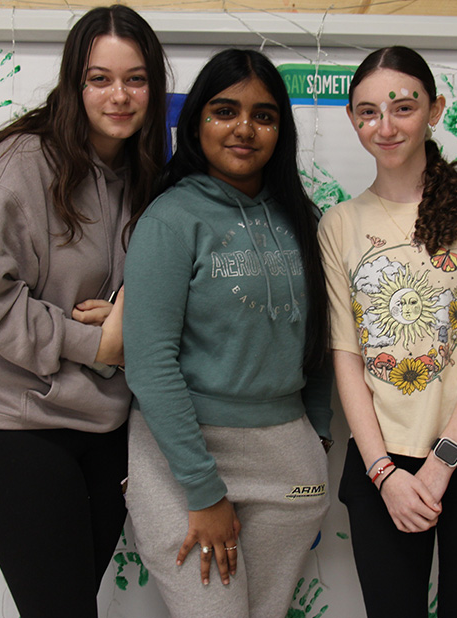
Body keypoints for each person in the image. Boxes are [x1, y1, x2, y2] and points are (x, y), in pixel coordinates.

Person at [0, 6, 167, 617]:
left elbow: (156, 285)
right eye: (100, 78)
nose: (119, 95)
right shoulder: (15, 166)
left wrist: (126, 313)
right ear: (74, 81)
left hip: (106, 429)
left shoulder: (145, 174)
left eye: (136, 78)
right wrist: (95, 343)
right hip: (14, 427)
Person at [318, 46, 457, 618]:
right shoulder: (339, 224)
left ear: (435, 110)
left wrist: (439, 465)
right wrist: (385, 473)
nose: (383, 126)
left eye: (402, 107)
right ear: (351, 119)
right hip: (380, 465)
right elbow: (347, 356)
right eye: (367, 111)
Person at [122, 48, 333, 618]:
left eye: (263, 115)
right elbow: (148, 365)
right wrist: (203, 490)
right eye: (224, 111)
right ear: (196, 124)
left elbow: (319, 344)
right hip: (182, 462)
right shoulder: (170, 220)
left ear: (280, 130)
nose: (244, 128)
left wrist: (319, 437)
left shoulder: (302, 219)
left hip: (286, 461)